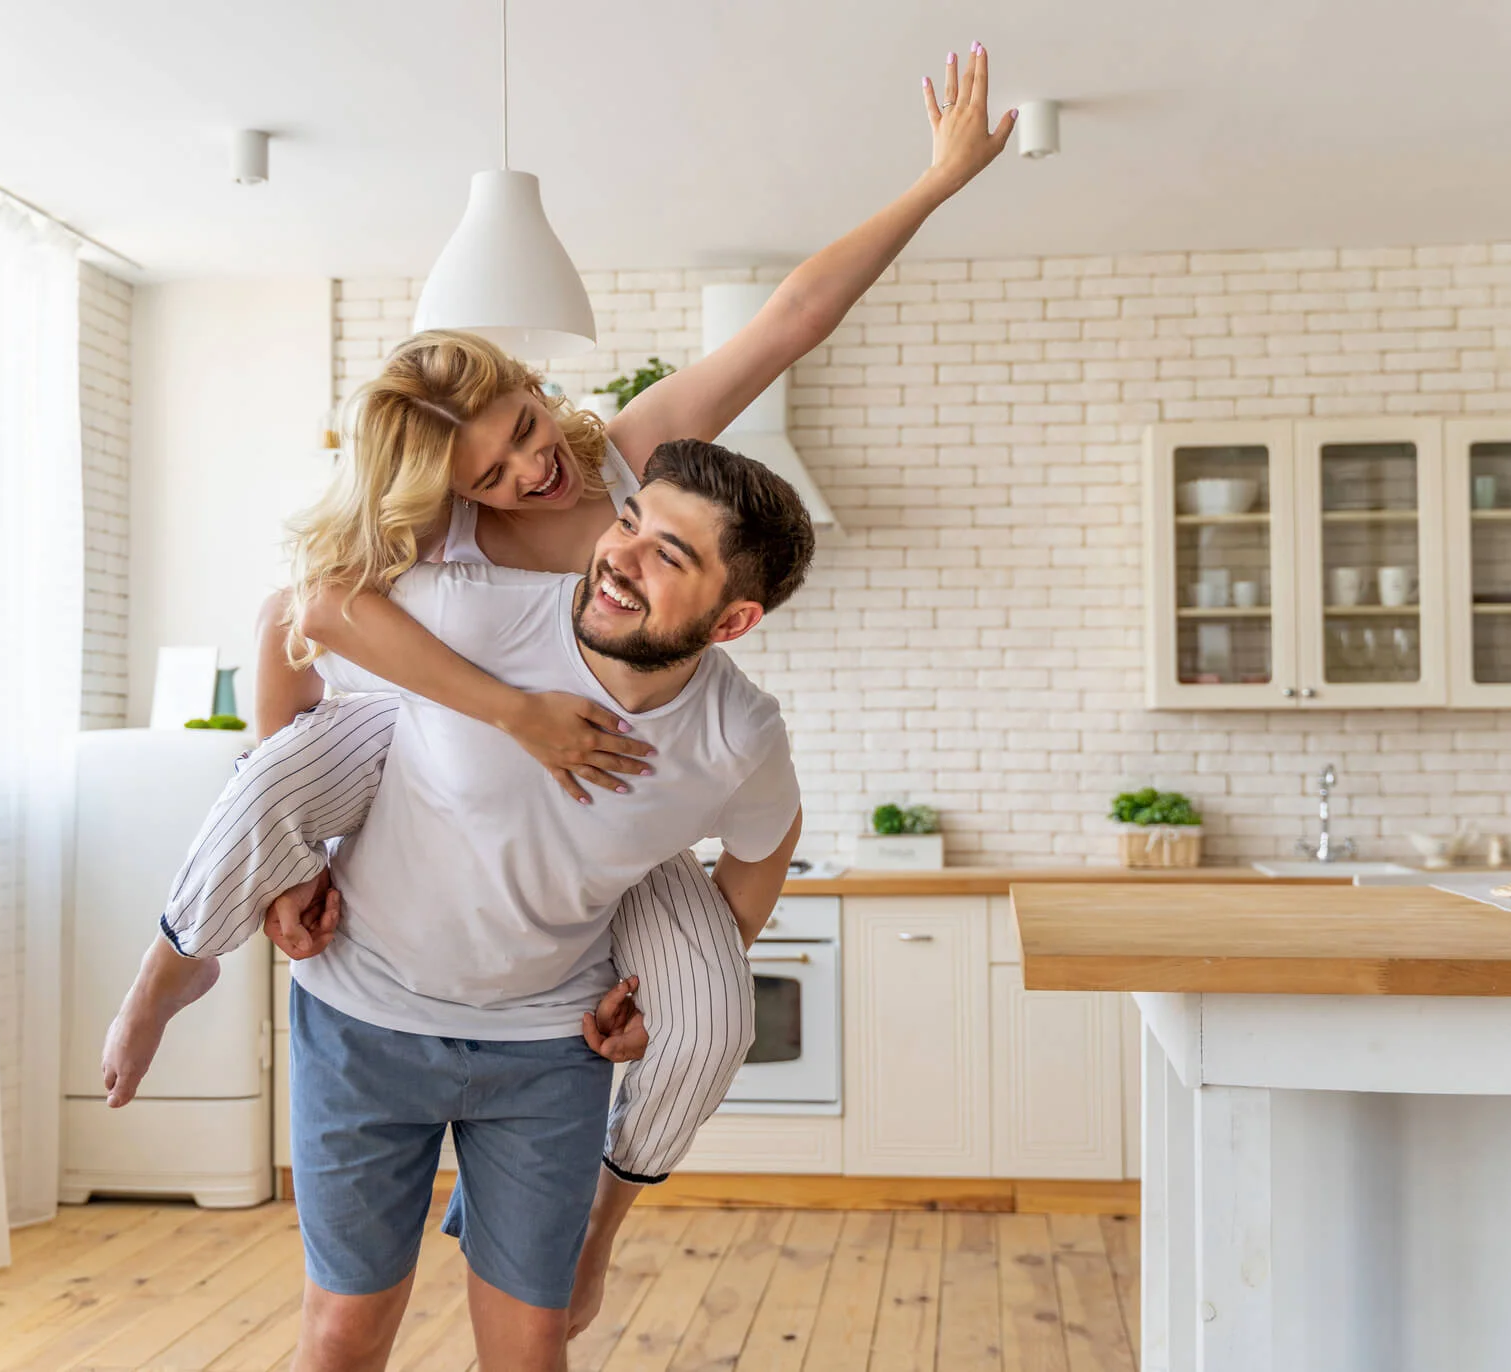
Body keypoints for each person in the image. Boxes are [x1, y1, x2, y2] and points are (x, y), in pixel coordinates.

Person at [98, 41, 1015, 1365]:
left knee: (704, 1003)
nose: (541, 467)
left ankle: (603, 1221)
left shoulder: (624, 465)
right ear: (449, 488)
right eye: (502, 465)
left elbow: (790, 321)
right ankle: (167, 971)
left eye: (531, 423)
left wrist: (932, 185)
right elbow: (288, 626)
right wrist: (306, 851)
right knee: (301, 774)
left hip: (569, 921)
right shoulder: (436, 558)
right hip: (411, 806)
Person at [178, 442, 814, 1371]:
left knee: (530, 1348)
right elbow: (293, 617)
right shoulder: (479, 611)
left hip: (549, 1050)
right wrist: (287, 865)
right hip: (367, 1017)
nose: (620, 555)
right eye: (630, 522)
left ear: (733, 620)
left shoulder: (738, 733)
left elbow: (767, 845)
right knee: (344, 1333)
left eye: (670, 555)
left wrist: (670, 983)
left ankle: (591, 1235)